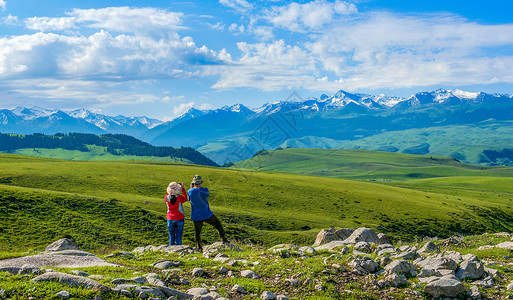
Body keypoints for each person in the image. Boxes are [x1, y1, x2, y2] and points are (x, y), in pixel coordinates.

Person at [187, 175, 228, 251]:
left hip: (196, 216)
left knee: (197, 232)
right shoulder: (205, 190)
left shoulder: (190, 191)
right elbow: (207, 195)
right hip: (206, 214)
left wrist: (191, 188)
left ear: (193, 183)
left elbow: (189, 198)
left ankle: (199, 247)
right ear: (200, 183)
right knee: (218, 224)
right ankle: (224, 239)